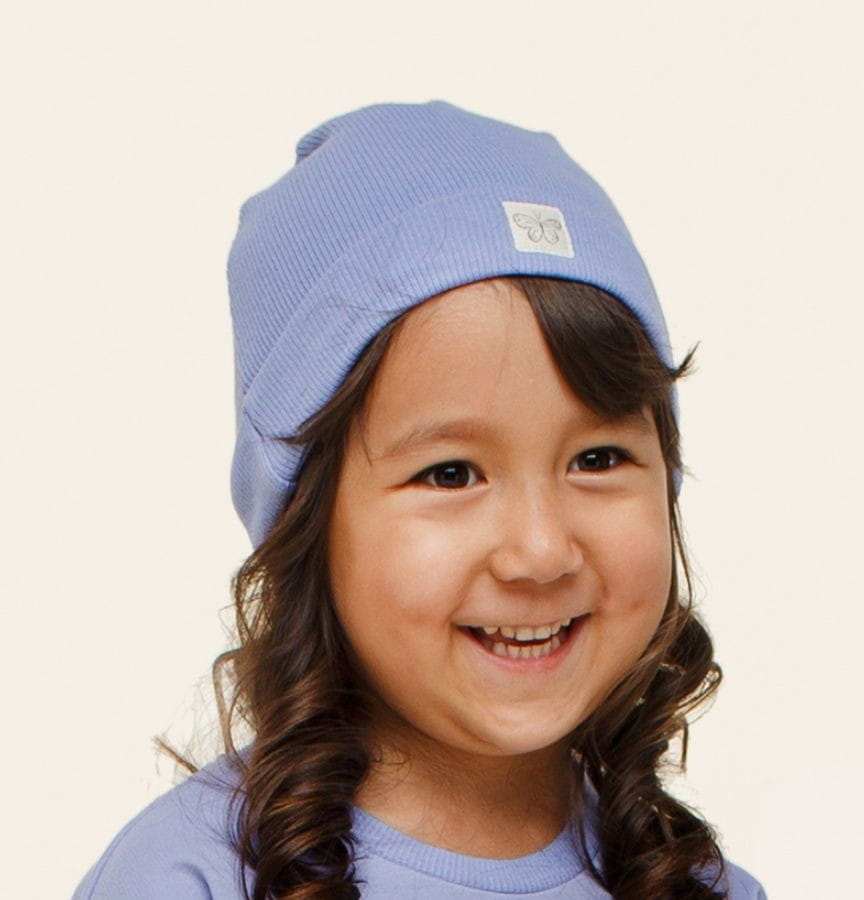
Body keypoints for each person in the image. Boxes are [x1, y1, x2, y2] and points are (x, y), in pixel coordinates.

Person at [73, 101, 768, 899]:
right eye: (451, 474)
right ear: (308, 519)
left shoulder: (700, 888)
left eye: (598, 459)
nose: (541, 550)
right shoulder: (187, 879)